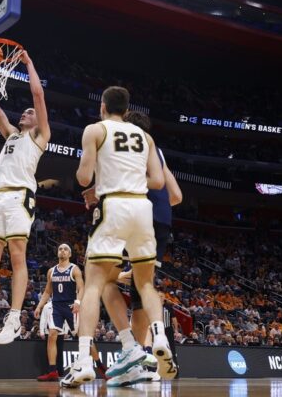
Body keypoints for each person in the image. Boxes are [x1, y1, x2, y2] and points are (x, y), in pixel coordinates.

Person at [61, 86, 174, 388]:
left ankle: (83, 360)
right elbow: (158, 181)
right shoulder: (146, 137)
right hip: (142, 209)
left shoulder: (95, 130)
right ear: (126, 109)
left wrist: (102, 174)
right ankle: (159, 337)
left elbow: (83, 178)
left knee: (94, 284)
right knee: (146, 283)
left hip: (114, 206)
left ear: (103, 106)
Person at [84, 111, 183, 386]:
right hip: (162, 221)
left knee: (104, 280)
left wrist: (102, 191)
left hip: (132, 212)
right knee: (142, 289)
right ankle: (139, 360)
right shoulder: (157, 152)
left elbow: (116, 179)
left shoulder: (127, 147)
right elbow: (176, 196)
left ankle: (130, 346)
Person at [0, 51, 50, 346]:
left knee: (17, 255)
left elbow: (38, 95)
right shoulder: (11, 135)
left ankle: (15, 318)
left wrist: (29, 63)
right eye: (24, 112)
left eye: (29, 113)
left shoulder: (40, 136)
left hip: (20, 196)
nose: (25, 114)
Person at [34, 244, 85, 381]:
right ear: (57, 253)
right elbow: (47, 291)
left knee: (83, 337)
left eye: (65, 249)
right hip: (56, 306)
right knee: (52, 335)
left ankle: (100, 366)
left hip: (70, 306)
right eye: (60, 249)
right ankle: (52, 371)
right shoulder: (51, 271)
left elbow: (81, 288)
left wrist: (78, 302)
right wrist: (39, 306)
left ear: (70, 254)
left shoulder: (74, 269)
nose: (62, 251)